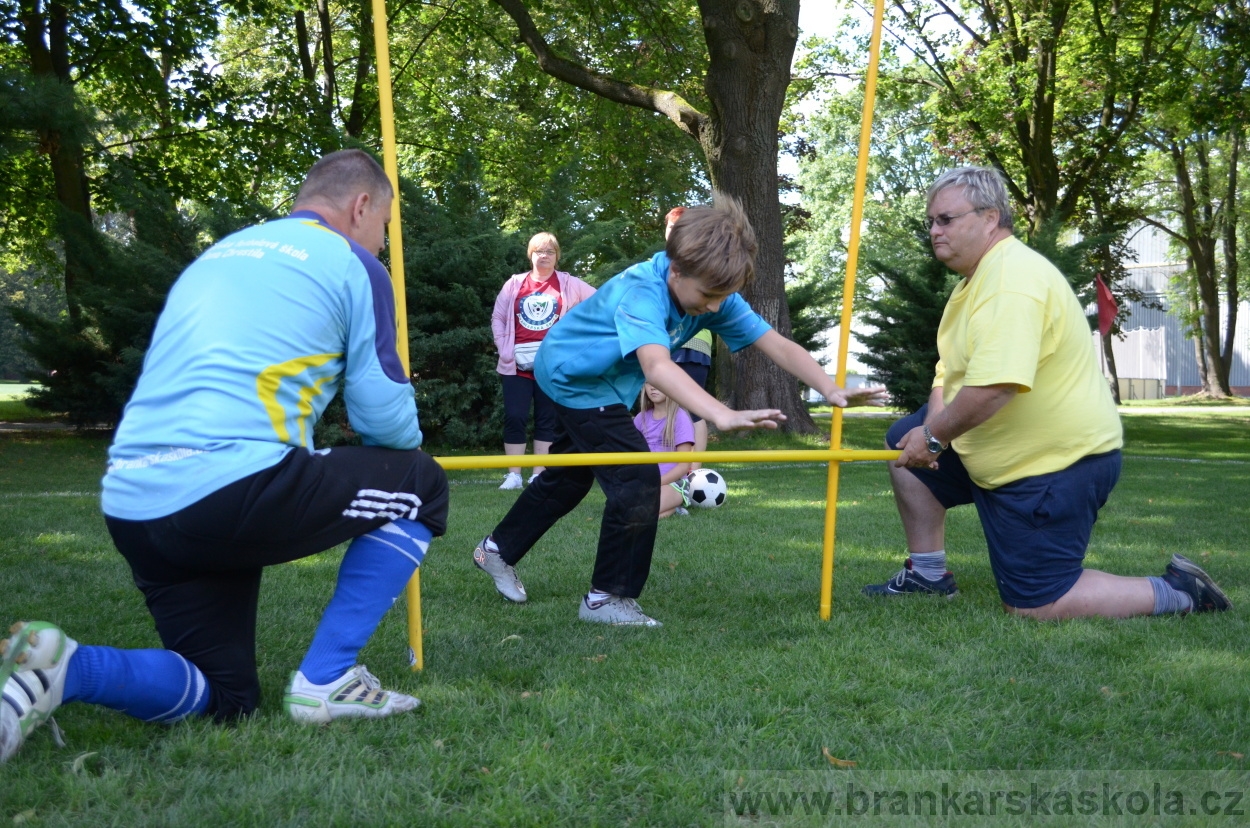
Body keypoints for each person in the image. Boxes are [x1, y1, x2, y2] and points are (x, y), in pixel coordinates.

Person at [1, 150, 450, 764]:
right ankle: (328, 680)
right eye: (385, 229)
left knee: (226, 698)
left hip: (133, 503)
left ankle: (68, 670)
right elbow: (383, 418)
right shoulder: (353, 264)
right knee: (420, 482)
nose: (381, 244)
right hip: (233, 487)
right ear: (362, 206)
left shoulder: (218, 255)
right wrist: (393, 453)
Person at [471, 194, 887, 626]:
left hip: (606, 380)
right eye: (708, 295)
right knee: (637, 477)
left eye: (721, 297)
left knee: (572, 474)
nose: (713, 307)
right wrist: (720, 414)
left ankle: (495, 550)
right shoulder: (643, 291)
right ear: (676, 269)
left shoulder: (711, 292)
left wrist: (830, 389)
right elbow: (656, 366)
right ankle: (605, 599)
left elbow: (775, 342)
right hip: (572, 376)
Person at [862, 165, 1231, 619]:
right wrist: (930, 431)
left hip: (1053, 466)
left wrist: (935, 437)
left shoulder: (1011, 281)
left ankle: (1182, 592)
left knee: (1038, 604)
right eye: (931, 222)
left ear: (991, 217)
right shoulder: (972, 284)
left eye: (946, 220)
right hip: (995, 450)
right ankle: (928, 576)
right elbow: (948, 375)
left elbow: (995, 388)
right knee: (904, 446)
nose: (935, 231)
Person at [492, 233, 595, 490]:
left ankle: (539, 472)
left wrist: (575, 338)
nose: (544, 256)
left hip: (553, 364)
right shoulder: (514, 283)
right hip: (515, 363)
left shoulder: (569, 283)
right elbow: (498, 317)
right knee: (514, 416)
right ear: (530, 254)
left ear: (557, 256)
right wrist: (504, 348)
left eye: (549, 251)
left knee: (547, 419)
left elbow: (598, 302)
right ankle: (514, 474)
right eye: (539, 251)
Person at [665, 207, 713, 470]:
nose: (673, 233)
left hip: (693, 345)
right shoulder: (661, 267)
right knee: (665, 407)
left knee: (692, 407)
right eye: (670, 227)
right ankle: (673, 467)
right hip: (663, 345)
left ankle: (694, 470)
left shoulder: (701, 263)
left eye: (678, 227)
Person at [634, 382, 696, 519]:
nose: (653, 387)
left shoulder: (680, 418)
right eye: (649, 383)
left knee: (641, 512)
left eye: (658, 382)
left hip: (673, 484)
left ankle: (673, 505)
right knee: (626, 510)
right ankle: (672, 508)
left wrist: (656, 482)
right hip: (645, 481)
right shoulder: (640, 418)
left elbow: (684, 466)